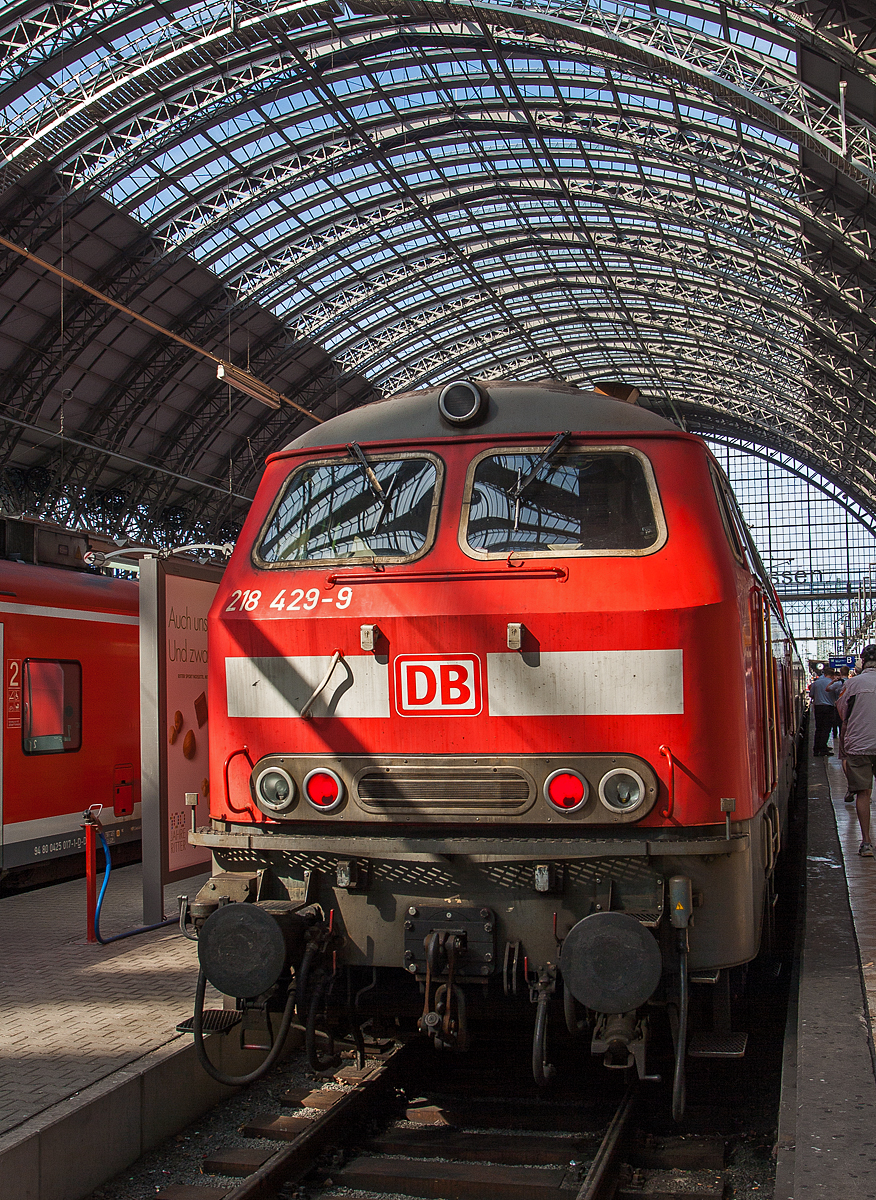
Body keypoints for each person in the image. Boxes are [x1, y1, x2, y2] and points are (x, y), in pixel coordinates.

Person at [836, 645, 876, 857]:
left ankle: (867, 843)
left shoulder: (852, 684)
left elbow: (842, 711)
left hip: (859, 745)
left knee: (863, 793)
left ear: (862, 663)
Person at [809, 664, 837, 756]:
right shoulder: (832, 683)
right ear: (832, 675)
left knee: (819, 728)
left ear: (824, 674)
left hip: (818, 707)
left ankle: (816, 749)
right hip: (829, 707)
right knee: (826, 729)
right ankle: (823, 749)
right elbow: (837, 696)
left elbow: (811, 695)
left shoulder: (816, 683)